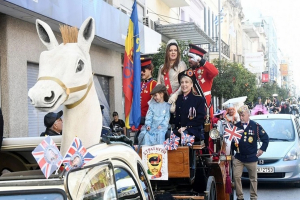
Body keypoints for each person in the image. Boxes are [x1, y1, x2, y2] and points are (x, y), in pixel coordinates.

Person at [232, 105, 269, 200]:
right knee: (236, 177)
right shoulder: (236, 126)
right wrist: (232, 153)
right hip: (239, 157)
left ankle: (253, 197)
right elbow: (231, 141)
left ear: (248, 115)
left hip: (251, 157)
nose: (241, 117)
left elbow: (266, 138)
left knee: (253, 179)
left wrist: (261, 150)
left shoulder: (255, 126)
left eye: (243, 115)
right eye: (240, 115)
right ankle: (240, 197)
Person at [172, 72, 206, 142]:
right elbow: (175, 118)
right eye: (182, 82)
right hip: (179, 130)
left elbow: (200, 118)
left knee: (184, 136)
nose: (184, 84)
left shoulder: (199, 99)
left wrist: (186, 127)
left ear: (191, 84)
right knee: (167, 135)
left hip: (193, 130)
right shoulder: (178, 99)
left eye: (186, 82)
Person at [140, 57, 157, 122]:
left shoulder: (154, 84)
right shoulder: (139, 84)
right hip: (138, 121)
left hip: (148, 121)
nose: (142, 72)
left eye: (144, 70)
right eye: (141, 70)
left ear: (150, 69)